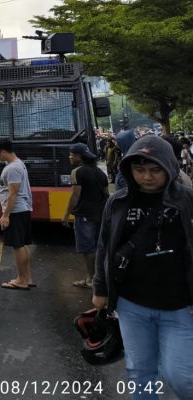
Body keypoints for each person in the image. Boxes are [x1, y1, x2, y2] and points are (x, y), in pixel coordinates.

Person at [93, 135, 193, 399]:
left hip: (180, 306)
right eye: (139, 170)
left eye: (154, 170)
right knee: (140, 372)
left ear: (169, 168)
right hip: (131, 305)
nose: (146, 177)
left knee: (181, 376)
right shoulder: (117, 203)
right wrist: (100, 288)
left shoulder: (187, 200)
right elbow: (104, 247)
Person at [61, 143, 109, 289]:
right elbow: (107, 194)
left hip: (84, 215)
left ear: (78, 156)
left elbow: (75, 196)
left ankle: (91, 279)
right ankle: (99, 278)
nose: (69, 157)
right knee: (98, 247)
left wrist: (66, 214)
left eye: (71, 154)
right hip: (100, 214)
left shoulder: (77, 172)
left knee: (88, 249)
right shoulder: (100, 172)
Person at [0, 139, 34, 290]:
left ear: (3, 151)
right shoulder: (18, 164)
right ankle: (27, 278)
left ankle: (21, 279)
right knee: (23, 244)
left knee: (18, 245)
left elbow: (12, 194)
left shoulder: (12, 169)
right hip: (22, 209)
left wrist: (5, 215)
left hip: (16, 210)